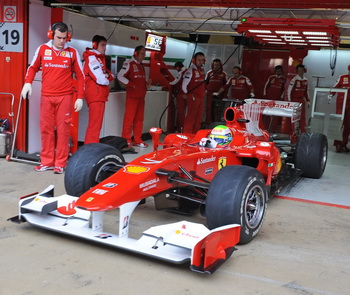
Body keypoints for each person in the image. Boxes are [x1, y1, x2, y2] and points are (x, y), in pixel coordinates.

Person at [20, 22, 84, 174]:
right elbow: (33, 67)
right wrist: (27, 83)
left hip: (65, 97)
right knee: (46, 129)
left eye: (64, 38)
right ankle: (47, 161)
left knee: (63, 131)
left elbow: (81, 76)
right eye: (58, 37)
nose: (62, 41)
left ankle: (60, 163)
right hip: (47, 97)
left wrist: (80, 97)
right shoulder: (42, 49)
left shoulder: (72, 52)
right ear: (51, 35)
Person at [117, 45, 151, 147]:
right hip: (132, 97)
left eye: (144, 54)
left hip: (141, 96)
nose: (143, 56)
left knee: (139, 120)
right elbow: (120, 76)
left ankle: (137, 140)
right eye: (142, 54)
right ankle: (126, 140)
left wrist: (146, 84)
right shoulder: (128, 63)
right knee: (129, 119)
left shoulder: (141, 65)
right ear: (136, 53)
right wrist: (131, 84)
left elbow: (140, 80)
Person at [83, 35, 114, 144]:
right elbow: (101, 79)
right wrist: (107, 77)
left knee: (97, 125)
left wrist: (107, 76)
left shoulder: (99, 58)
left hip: (100, 95)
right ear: (95, 45)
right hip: (95, 95)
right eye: (102, 45)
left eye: (105, 45)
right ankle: (90, 150)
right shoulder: (92, 58)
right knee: (94, 125)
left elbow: (110, 75)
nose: (104, 48)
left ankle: (92, 147)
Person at [182, 52, 206, 134]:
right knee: (190, 118)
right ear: (194, 60)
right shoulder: (190, 70)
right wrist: (188, 95)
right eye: (199, 60)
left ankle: (195, 136)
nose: (201, 62)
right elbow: (184, 85)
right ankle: (187, 136)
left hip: (201, 97)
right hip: (193, 97)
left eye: (202, 60)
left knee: (198, 118)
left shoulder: (201, 70)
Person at [331, 65, 350, 152]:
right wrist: (331, 94)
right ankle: (337, 144)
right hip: (341, 104)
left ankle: (344, 144)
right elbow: (335, 87)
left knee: (348, 126)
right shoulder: (342, 77)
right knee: (338, 124)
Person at [287, 64, 310, 133]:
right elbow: (289, 91)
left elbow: (306, 91)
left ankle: (303, 132)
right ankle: (293, 132)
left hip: (301, 100)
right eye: (299, 70)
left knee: (303, 117)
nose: (300, 72)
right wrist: (290, 102)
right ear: (297, 71)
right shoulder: (294, 80)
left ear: (304, 71)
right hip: (294, 100)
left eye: (302, 70)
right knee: (294, 118)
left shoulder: (306, 80)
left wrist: (308, 100)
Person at [263, 65, 286, 131]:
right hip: (269, 98)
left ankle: (273, 128)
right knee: (267, 113)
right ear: (275, 71)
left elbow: (284, 89)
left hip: (278, 99)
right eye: (277, 71)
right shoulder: (271, 77)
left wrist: (281, 97)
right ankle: (265, 128)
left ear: (281, 71)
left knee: (275, 114)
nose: (278, 72)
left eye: (279, 71)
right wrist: (265, 95)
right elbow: (266, 86)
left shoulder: (283, 79)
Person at [205, 59, 227, 123]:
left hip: (219, 95)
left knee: (217, 110)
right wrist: (205, 90)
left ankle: (217, 123)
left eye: (217, 65)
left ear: (220, 65)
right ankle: (208, 123)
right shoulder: (209, 73)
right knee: (208, 109)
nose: (216, 66)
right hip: (209, 95)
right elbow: (204, 83)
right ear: (213, 65)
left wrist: (224, 95)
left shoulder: (224, 74)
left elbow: (226, 85)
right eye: (215, 65)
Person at [169, 61, 187, 132]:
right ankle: (182, 128)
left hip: (181, 94)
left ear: (177, 67)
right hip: (186, 95)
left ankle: (180, 129)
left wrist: (168, 83)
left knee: (180, 112)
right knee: (184, 112)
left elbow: (175, 82)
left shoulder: (181, 72)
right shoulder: (188, 70)